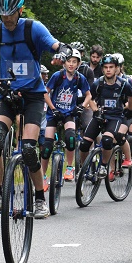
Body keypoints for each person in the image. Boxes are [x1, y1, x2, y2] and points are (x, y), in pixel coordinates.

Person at [0, 0, 64, 219]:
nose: (6, 19)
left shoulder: (33, 29)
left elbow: (56, 45)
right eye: (2, 14)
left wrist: (63, 52)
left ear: (21, 10)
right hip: (7, 94)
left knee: (28, 149)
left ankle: (39, 198)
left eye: (11, 14)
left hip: (33, 96)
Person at [78, 54, 132, 180]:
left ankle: (104, 165)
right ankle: (84, 168)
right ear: (102, 69)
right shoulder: (98, 83)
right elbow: (90, 98)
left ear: (116, 69)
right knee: (84, 144)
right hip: (100, 116)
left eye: (111, 67)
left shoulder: (123, 84)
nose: (108, 69)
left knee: (107, 141)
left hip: (115, 117)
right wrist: (95, 110)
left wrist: (130, 110)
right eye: (105, 67)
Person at [41, 48, 91, 182]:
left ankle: (70, 168)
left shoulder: (80, 78)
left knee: (70, 138)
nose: (71, 64)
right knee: (46, 147)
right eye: (69, 61)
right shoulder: (57, 75)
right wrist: (52, 108)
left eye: (74, 62)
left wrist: (82, 107)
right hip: (54, 113)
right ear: (64, 62)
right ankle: (43, 176)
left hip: (69, 113)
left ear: (78, 64)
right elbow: (45, 92)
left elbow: (88, 95)